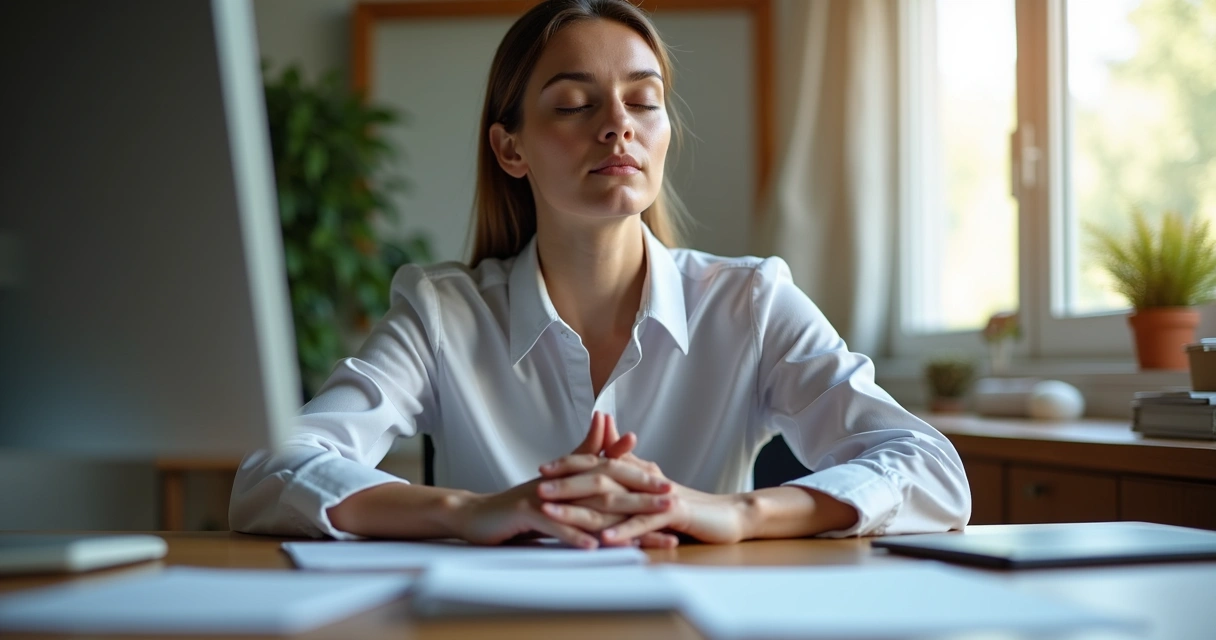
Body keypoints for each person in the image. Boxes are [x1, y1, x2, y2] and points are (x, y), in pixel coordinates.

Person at [230, 0, 970, 549]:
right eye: (575, 104)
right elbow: (272, 470)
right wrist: (472, 511)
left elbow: (930, 470)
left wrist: (730, 512)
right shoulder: (441, 312)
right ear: (510, 148)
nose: (618, 124)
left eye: (644, 102)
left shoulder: (749, 301)